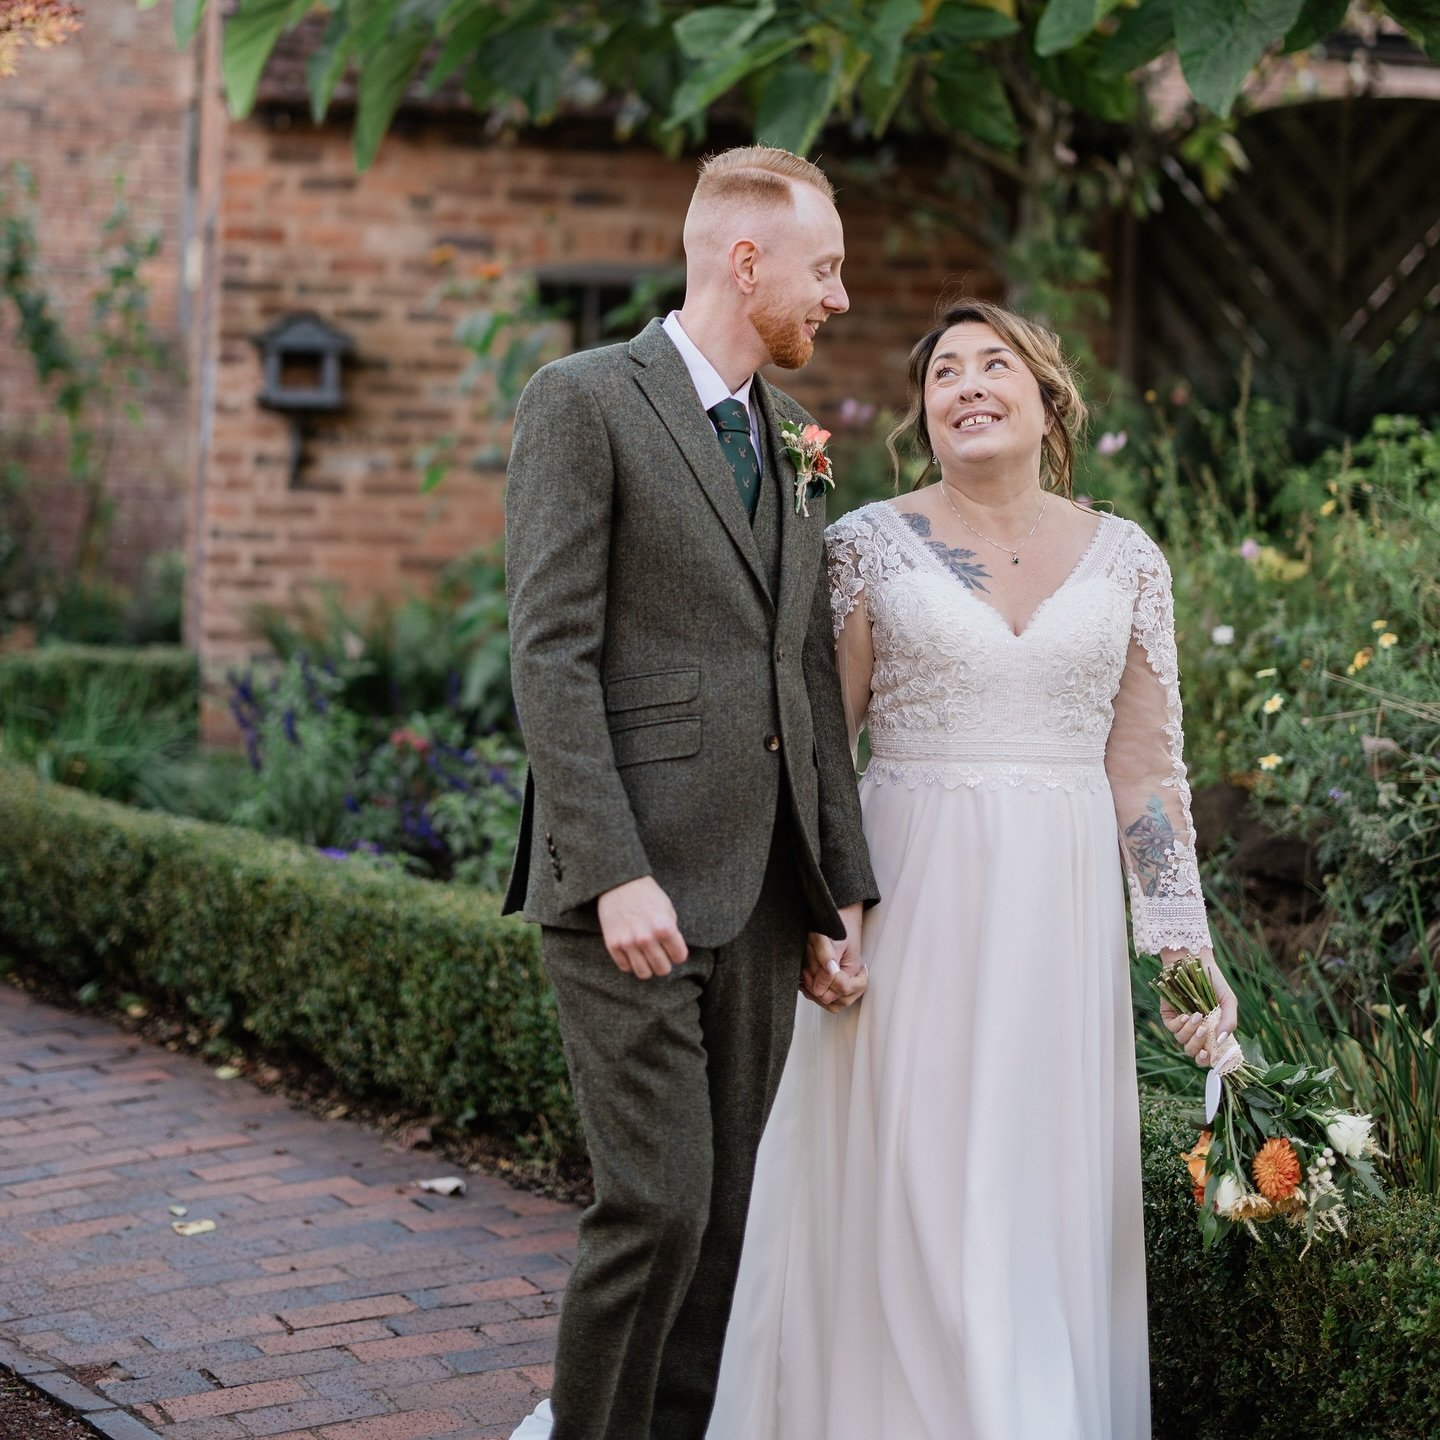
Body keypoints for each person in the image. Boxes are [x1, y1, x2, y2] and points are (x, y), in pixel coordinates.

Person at [707, 300, 1239, 1440]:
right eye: (944, 371)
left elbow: (1146, 779)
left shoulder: (1127, 558)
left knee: (1028, 1191)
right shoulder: (866, 545)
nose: (968, 383)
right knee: (913, 1181)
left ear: (1050, 401)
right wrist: (827, 908)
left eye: (995, 363)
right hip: (908, 902)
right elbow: (823, 754)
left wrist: (1185, 954)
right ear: (926, 414)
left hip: (1057, 915)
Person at [502, 146, 880, 1440]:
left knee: (725, 1226)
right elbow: (549, 650)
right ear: (744, 258)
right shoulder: (583, 399)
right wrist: (610, 870)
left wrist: (837, 890)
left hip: (765, 897)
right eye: (823, 267)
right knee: (653, 1207)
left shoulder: (800, 445)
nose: (839, 295)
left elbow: (807, 683)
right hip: (634, 883)